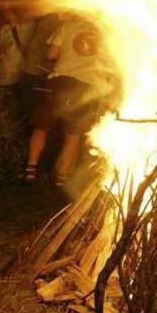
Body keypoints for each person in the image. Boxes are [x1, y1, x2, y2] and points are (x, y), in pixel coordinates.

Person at [24, 14, 116, 186]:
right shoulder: (105, 36)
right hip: (86, 87)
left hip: (60, 82)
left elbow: (51, 55)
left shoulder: (66, 27)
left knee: (41, 127)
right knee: (72, 134)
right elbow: (109, 65)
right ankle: (62, 178)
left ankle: (31, 169)